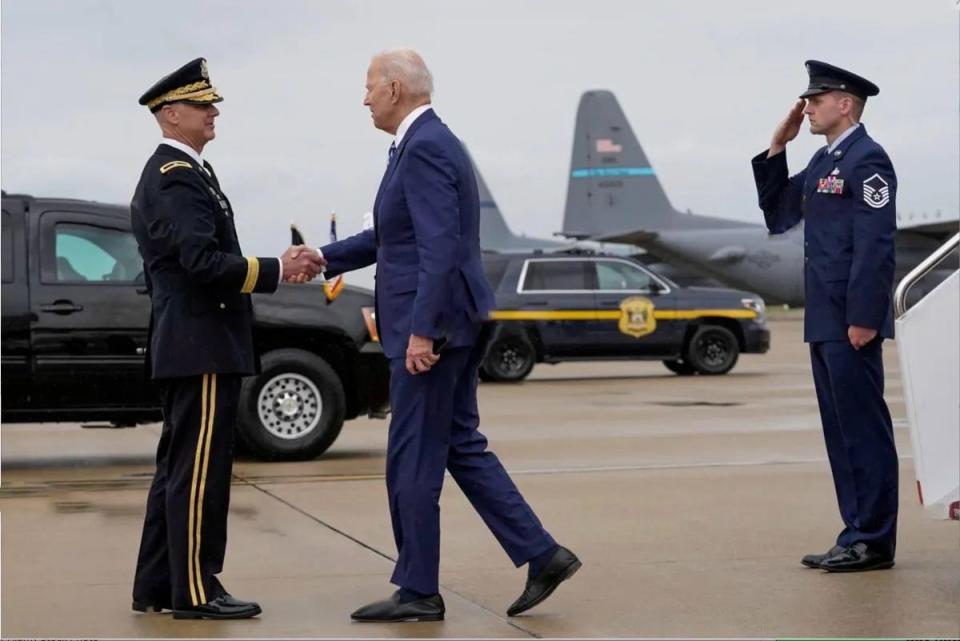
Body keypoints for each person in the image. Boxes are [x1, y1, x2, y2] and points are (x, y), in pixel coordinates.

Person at [313, 49, 580, 622]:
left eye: (366, 87)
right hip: (449, 323)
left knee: (412, 457)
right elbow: (392, 238)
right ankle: (542, 554)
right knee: (458, 442)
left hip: (433, 330)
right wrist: (321, 258)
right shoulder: (419, 144)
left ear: (392, 88)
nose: (362, 99)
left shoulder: (426, 146)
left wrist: (422, 332)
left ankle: (418, 591)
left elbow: (438, 247)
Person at [130, 57, 325, 619]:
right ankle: (194, 591)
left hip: (195, 341)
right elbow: (200, 262)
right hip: (202, 343)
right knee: (198, 473)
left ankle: (159, 585)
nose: (213, 112)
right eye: (201, 104)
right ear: (171, 115)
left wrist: (268, 266)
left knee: (178, 468)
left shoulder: (188, 174)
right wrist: (277, 270)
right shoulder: (176, 177)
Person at [751, 60, 898, 572]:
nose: (807, 107)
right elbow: (779, 215)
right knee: (841, 431)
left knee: (863, 429)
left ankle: (874, 540)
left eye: (816, 99)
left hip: (850, 320)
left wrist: (865, 316)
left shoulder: (868, 160)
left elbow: (876, 246)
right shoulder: (822, 162)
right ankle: (855, 533)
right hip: (825, 318)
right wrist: (778, 146)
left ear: (845, 104)